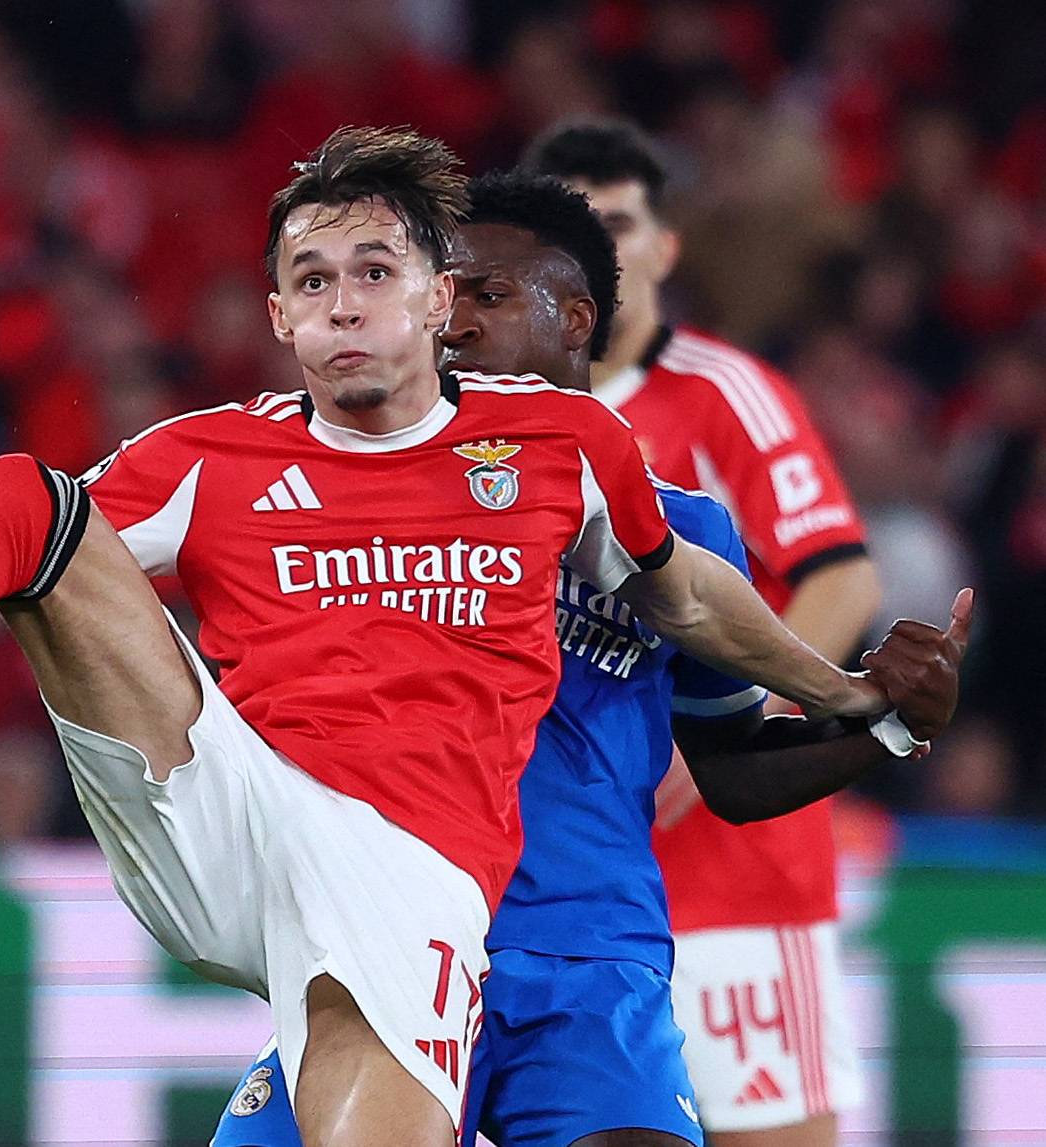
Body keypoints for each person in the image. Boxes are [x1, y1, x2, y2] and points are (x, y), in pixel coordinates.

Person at [0, 127, 892, 1147]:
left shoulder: (559, 444)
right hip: (227, 805)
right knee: (30, 503)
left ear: (433, 299)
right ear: (280, 318)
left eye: (375, 269)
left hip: (409, 869)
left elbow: (689, 598)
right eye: (313, 277)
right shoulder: (214, 459)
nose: (345, 298)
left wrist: (839, 687)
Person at [210, 173, 967, 1147]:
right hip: (384, 957)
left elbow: (732, 770)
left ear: (575, 319)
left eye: (488, 294)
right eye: (443, 294)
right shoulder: (348, 497)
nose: (454, 322)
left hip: (587, 974)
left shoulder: (682, 532)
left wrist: (893, 723)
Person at [522, 119, 883, 1147]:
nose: (604, 248)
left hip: (737, 872)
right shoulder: (491, 424)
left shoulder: (726, 397)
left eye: (622, 223)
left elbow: (842, 575)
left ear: (666, 247)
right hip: (573, 897)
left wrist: (736, 716)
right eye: (574, 226)